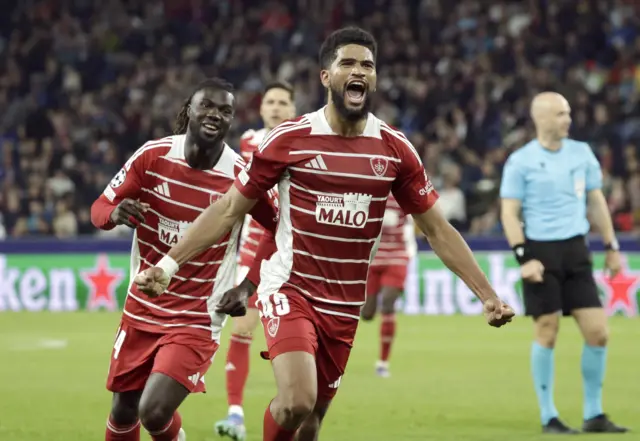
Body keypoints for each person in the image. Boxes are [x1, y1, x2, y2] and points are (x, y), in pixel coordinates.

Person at [134, 27, 515, 441]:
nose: (359, 71)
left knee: (311, 421)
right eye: (347, 63)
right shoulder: (290, 139)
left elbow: (438, 230)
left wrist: (488, 295)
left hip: (345, 305)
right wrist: (170, 264)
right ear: (326, 77)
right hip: (290, 289)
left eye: (367, 65)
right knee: (296, 400)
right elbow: (227, 209)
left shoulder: (394, 149)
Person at [91, 78, 279, 441]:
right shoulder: (153, 156)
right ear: (188, 112)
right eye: (207, 106)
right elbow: (99, 208)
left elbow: (277, 230)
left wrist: (247, 286)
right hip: (143, 306)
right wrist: (115, 214)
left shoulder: (240, 176)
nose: (215, 114)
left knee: (154, 410)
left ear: (231, 120)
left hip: (198, 314)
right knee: (123, 410)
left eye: (225, 110)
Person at [500, 91, 628, 434]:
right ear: (540, 118)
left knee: (598, 333)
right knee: (547, 330)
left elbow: (596, 201)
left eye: (567, 112)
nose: (567, 119)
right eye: (559, 113)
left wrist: (611, 246)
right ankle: (548, 416)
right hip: (539, 251)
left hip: (576, 250)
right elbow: (509, 213)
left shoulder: (582, 153)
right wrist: (523, 256)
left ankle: (594, 414)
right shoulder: (521, 161)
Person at [215, 81, 296, 441]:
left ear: (293, 110)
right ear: (261, 109)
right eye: (271, 102)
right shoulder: (248, 143)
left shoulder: (302, 141)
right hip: (254, 246)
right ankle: (235, 414)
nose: (276, 107)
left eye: (283, 102)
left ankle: (295, 408)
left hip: (293, 249)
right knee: (243, 328)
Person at [360, 194, 416, 378]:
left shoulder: (403, 196)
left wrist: (411, 248)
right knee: (367, 313)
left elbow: (417, 219)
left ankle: (383, 363)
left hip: (397, 256)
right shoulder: (369, 195)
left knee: (388, 304)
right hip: (373, 258)